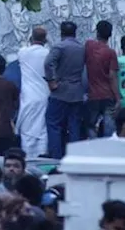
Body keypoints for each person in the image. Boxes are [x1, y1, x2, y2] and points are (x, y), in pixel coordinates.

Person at [43, 21, 86, 160]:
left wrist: (51, 80)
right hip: (77, 92)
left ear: (61, 32)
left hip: (60, 91)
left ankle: (56, 157)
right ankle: (74, 157)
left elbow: (48, 63)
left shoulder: (59, 47)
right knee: (74, 126)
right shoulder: (81, 48)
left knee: (53, 124)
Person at [16, 26, 50, 158]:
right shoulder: (48, 53)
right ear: (45, 40)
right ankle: (41, 157)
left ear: (31, 38)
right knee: (41, 130)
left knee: (27, 130)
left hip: (28, 97)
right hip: (44, 95)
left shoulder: (23, 53)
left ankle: (28, 158)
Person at [84, 19, 120, 138]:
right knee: (109, 127)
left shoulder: (89, 46)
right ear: (110, 35)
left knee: (90, 125)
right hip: (108, 95)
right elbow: (112, 77)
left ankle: (94, 149)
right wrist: (118, 98)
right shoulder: (111, 53)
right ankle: (108, 152)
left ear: (97, 32)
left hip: (93, 94)